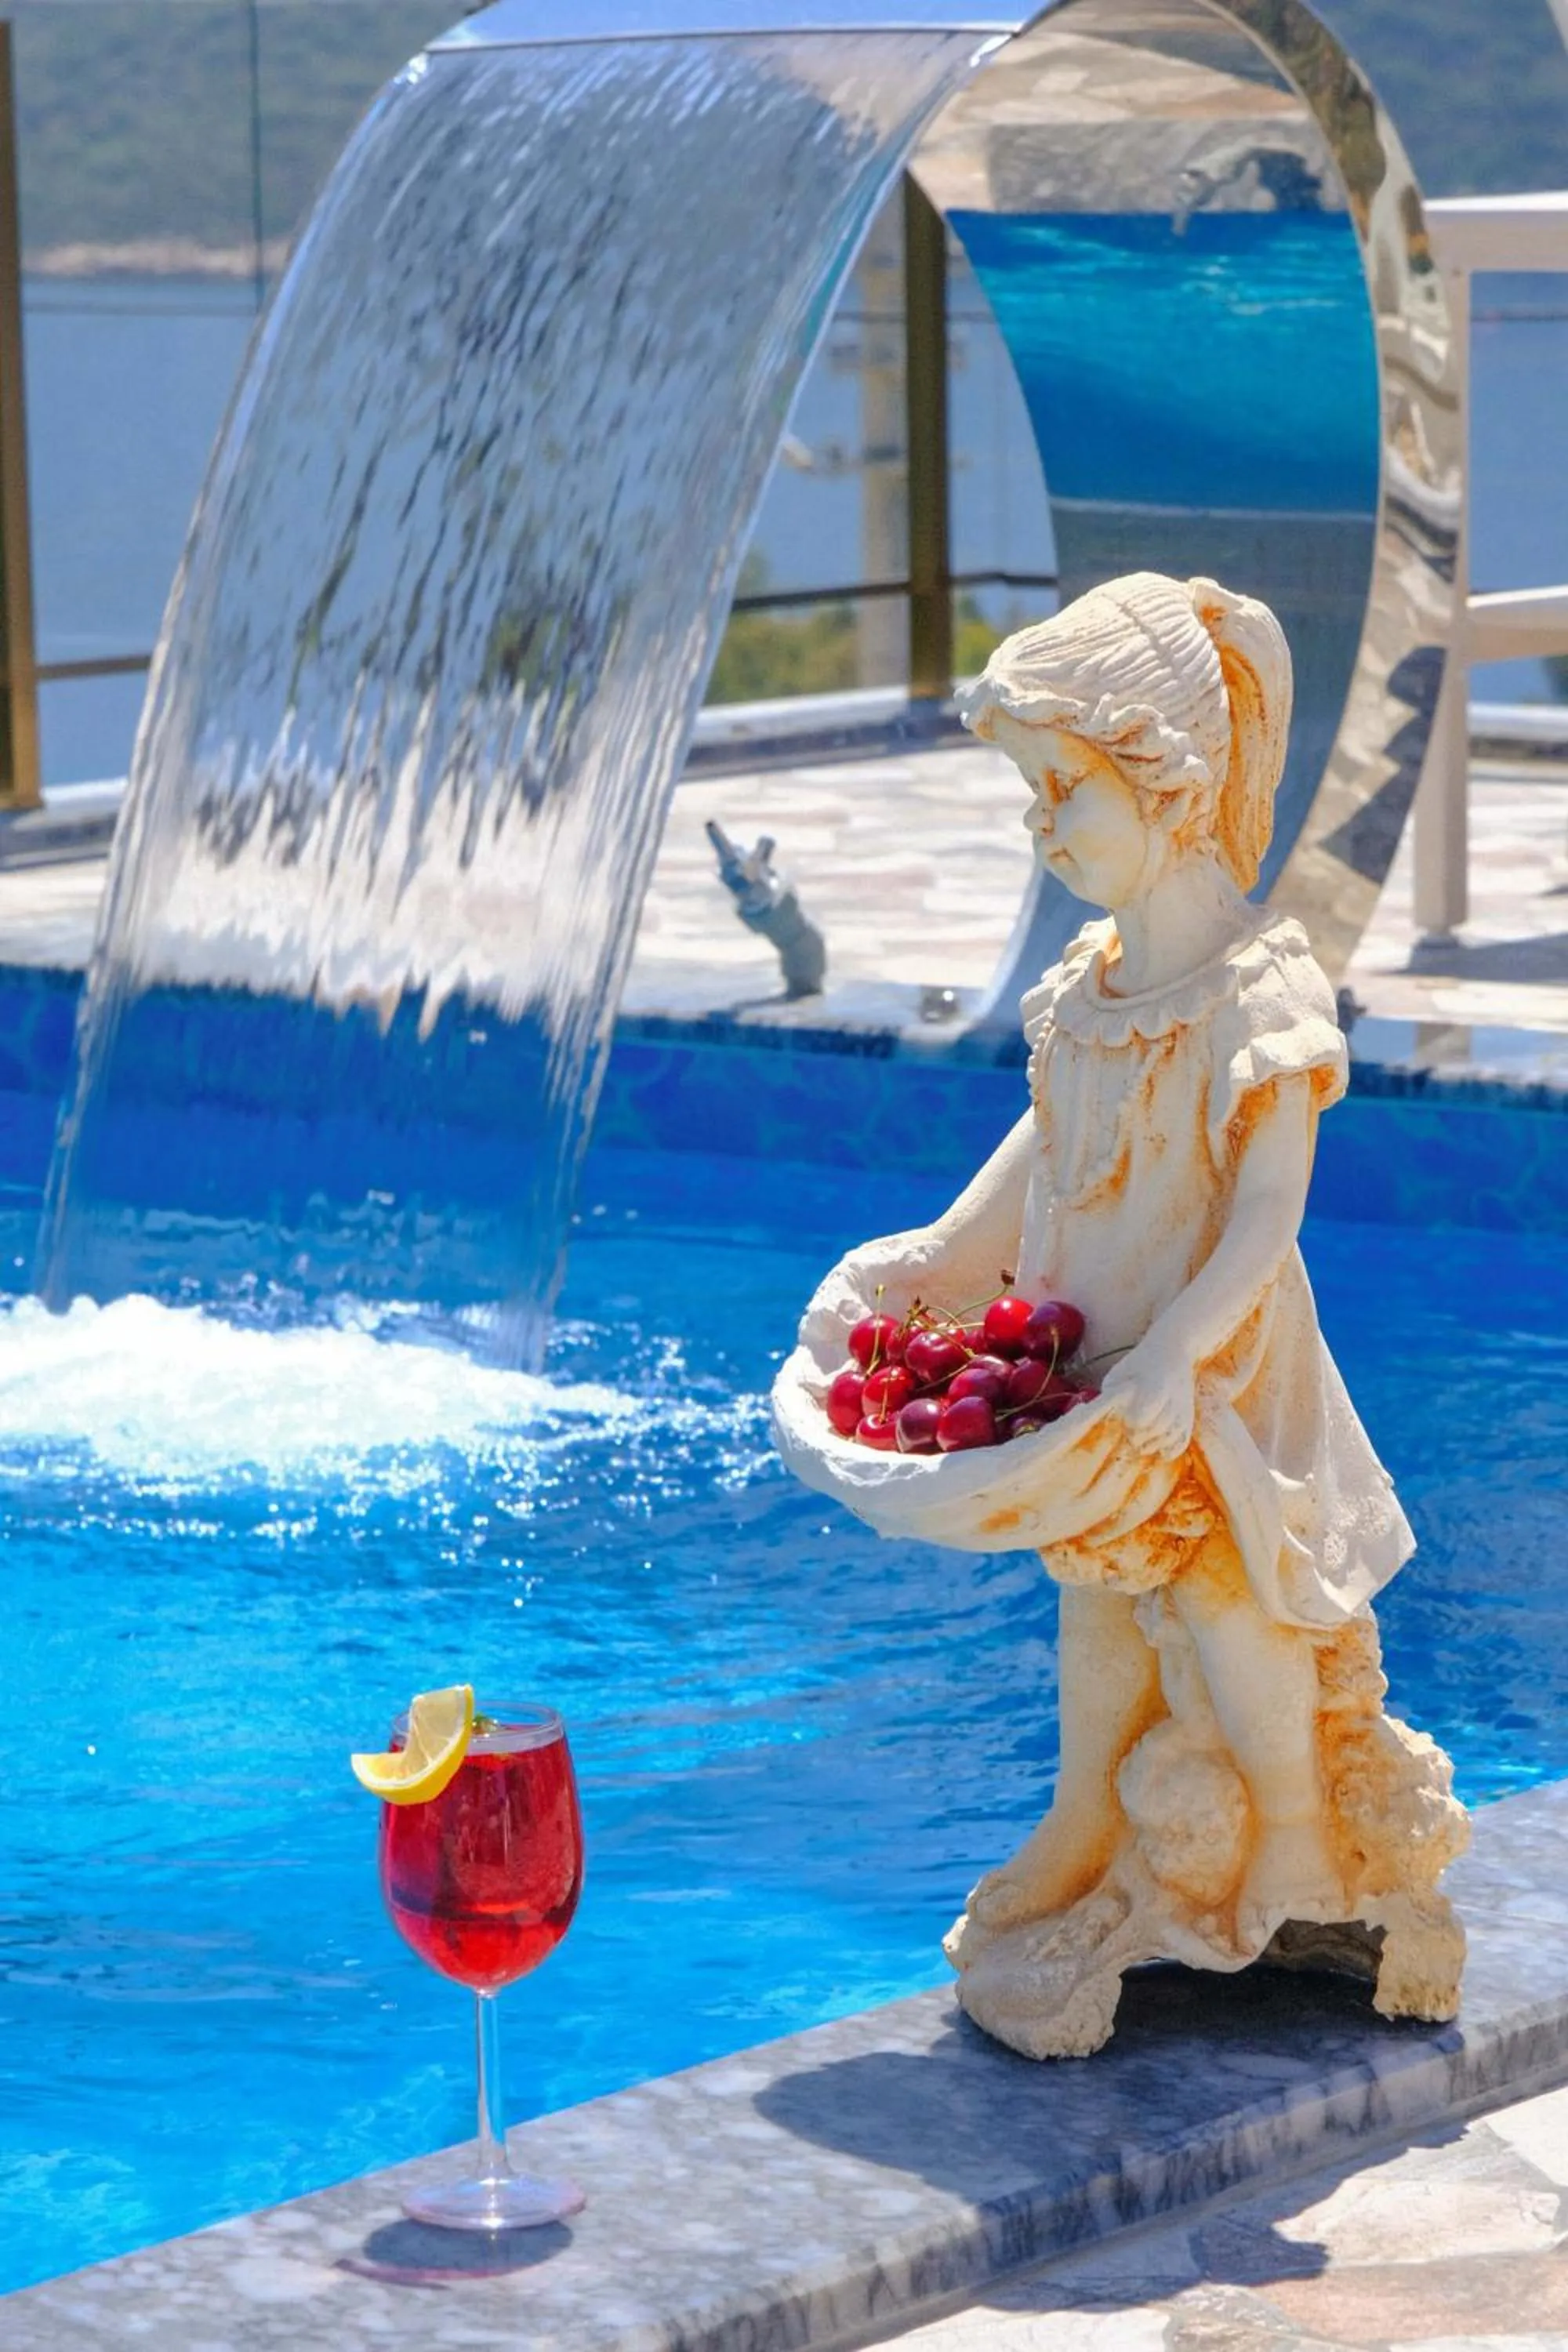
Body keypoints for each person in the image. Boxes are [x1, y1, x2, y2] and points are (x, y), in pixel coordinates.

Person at [775, 571, 1466, 2059]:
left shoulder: (1255, 990)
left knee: (1234, 1604)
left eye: (1060, 789)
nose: (1042, 826)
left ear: (1167, 772)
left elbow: (1270, 1212)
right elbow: (1046, 1144)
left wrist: (1179, 1353)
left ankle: (1293, 1841)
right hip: (1094, 1377)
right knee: (1099, 1605)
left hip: (1208, 1380)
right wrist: (941, 1258)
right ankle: (1089, 1815)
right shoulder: (1090, 982)